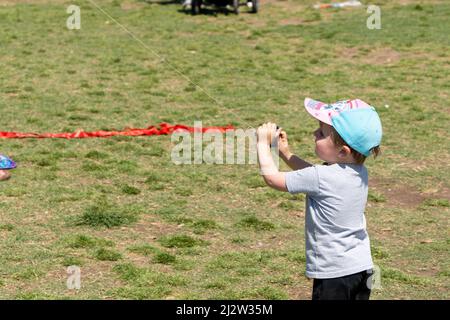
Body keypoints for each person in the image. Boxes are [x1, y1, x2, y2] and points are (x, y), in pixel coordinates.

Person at [256, 98, 382, 300]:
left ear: (343, 151)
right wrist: (285, 153)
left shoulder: (322, 177)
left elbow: (273, 179)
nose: (314, 134)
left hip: (335, 274)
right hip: (362, 267)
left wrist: (262, 144)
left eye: (322, 133)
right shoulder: (358, 171)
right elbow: (314, 175)